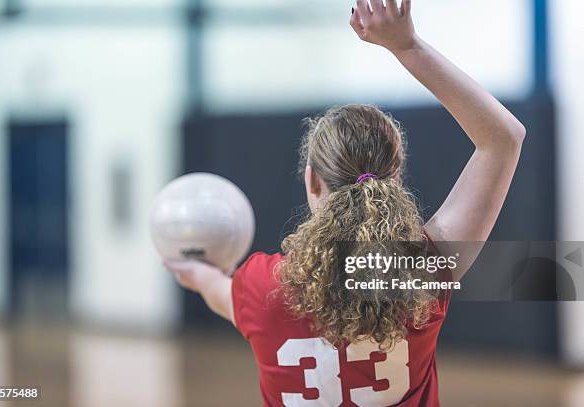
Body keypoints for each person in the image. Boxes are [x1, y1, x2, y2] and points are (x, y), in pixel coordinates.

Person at [164, 0, 526, 405]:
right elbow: (503, 139)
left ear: (311, 180)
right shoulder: (425, 268)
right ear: (395, 177)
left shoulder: (261, 286)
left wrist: (192, 268)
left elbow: (217, 288)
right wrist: (407, 47)